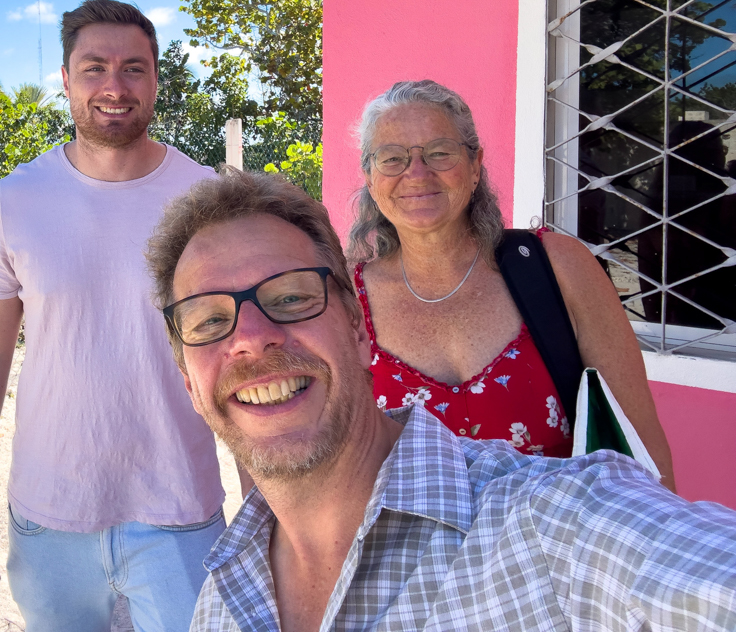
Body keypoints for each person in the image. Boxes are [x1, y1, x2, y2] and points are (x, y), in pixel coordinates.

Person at [144, 167, 736, 631]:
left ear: (357, 328)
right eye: (207, 320)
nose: (251, 337)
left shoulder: (547, 525)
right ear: (187, 377)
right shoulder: (223, 594)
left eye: (293, 298)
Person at [0, 0, 226, 631]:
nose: (114, 87)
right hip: (49, 519)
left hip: (181, 511)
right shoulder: (17, 200)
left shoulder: (206, 198)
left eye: (133, 68)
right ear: (65, 80)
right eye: (94, 68)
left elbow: (244, 356)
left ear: (156, 79)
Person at [346, 79, 676, 489]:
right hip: (410, 553)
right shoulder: (345, 301)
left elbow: (641, 447)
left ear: (475, 164)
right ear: (370, 177)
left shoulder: (557, 267)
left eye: (439, 153)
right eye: (391, 158)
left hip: (556, 547)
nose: (416, 172)